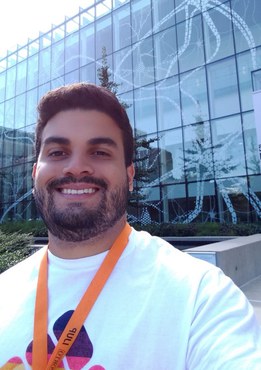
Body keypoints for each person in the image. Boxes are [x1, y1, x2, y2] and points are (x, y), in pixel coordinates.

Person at [0, 83, 260, 369]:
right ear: (36, 172)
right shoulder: (5, 290)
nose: (76, 167)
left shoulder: (200, 296)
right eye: (58, 152)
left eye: (99, 152)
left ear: (130, 175)